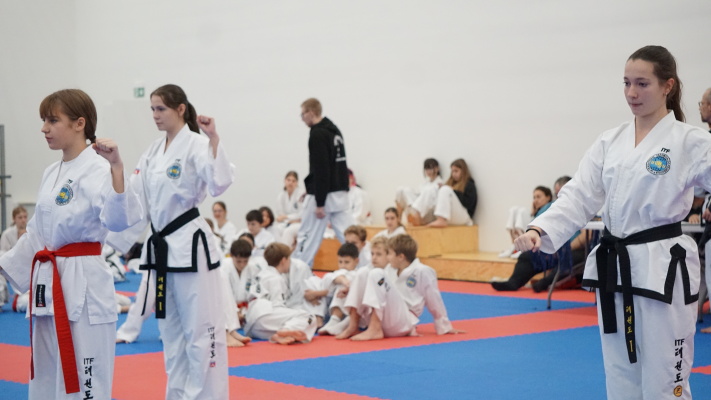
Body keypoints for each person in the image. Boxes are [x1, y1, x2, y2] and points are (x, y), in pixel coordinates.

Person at [514, 46, 709, 400]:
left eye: (642, 84)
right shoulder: (610, 141)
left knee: (667, 374)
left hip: (664, 266)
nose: (632, 93)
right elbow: (578, 195)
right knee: (620, 372)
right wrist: (538, 229)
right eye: (626, 83)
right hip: (616, 265)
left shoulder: (689, 140)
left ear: (667, 86)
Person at [0, 89, 142, 399]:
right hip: (48, 282)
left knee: (84, 374)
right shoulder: (52, 172)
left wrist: (117, 168)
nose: (44, 128)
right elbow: (37, 233)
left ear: (80, 124)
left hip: (84, 282)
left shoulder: (99, 168)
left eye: (53, 120)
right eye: (43, 120)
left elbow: (120, 220)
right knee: (46, 375)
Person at [106, 84, 233, 399]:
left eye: (161, 108)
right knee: (171, 333)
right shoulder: (152, 151)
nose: (155, 115)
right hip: (161, 248)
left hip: (190, 247)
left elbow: (219, 182)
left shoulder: (197, 144)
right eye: (152, 109)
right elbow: (136, 201)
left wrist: (214, 139)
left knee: (200, 331)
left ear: (180, 109)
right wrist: (108, 244)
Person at [337, 234, 462, 340]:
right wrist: (351, 290)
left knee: (376, 273)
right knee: (363, 272)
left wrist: (444, 325)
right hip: (387, 317)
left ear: (401, 257)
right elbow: (379, 289)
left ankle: (374, 329)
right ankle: (353, 325)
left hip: (403, 320)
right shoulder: (390, 269)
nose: (388, 257)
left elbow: (434, 299)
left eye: (390, 254)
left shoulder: (422, 271)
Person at [293, 98, 354, 266]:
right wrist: (311, 188)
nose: (302, 119)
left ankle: (299, 273)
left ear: (311, 112)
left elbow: (321, 169)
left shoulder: (317, 134)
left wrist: (319, 201)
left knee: (307, 237)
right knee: (350, 237)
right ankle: (365, 269)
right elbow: (335, 165)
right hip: (339, 191)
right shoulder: (334, 130)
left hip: (324, 194)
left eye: (303, 114)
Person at [244, 242, 318, 344]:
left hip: (253, 328)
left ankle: (279, 335)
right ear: (284, 260)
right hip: (264, 315)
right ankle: (286, 331)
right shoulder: (275, 278)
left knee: (290, 319)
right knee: (309, 317)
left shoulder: (262, 274)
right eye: (289, 259)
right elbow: (277, 305)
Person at [408, 158, 477, 227]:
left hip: (465, 217)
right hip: (451, 216)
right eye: (452, 171)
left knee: (445, 189)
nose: (453, 174)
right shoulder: (451, 183)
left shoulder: (469, 184)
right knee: (433, 190)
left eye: (456, 171)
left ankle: (441, 220)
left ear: (463, 171)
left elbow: (469, 203)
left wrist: (453, 191)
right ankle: (418, 215)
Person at [499, 186, 553, 258]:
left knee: (522, 211)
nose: (535, 200)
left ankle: (523, 247)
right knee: (513, 209)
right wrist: (533, 212)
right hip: (533, 223)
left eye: (538, 197)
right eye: (534, 197)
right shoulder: (538, 211)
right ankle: (513, 246)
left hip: (537, 233)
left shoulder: (550, 207)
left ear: (548, 197)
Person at [395, 158, 443, 223]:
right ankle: (398, 218)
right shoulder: (424, 184)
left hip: (428, 214)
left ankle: (415, 216)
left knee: (429, 190)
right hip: (416, 210)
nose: (428, 171)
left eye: (430, 168)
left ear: (437, 168)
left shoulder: (440, 184)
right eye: (426, 169)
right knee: (401, 189)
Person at [0, 206, 29, 310]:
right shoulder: (7, 234)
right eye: (20, 217)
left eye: (25, 217)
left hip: (28, 269)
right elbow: (2, 256)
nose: (23, 220)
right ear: (14, 219)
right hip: (10, 269)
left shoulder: (32, 233)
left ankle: (23, 298)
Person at [276, 170, 305, 248]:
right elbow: (280, 214)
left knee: (288, 231)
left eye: (293, 181)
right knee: (276, 229)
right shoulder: (281, 196)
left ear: (297, 183)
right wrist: (286, 219)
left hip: (299, 223)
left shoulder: (301, 194)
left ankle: (284, 252)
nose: (290, 183)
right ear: (284, 181)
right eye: (288, 180)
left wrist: (286, 217)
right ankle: (277, 252)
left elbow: (301, 214)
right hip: (286, 222)